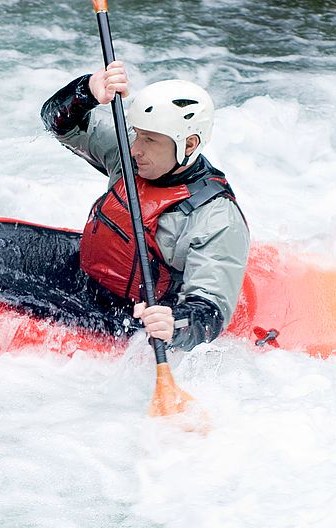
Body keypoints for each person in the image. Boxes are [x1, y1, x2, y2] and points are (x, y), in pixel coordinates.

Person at [39, 61, 250, 351]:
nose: (135, 148)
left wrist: (175, 323)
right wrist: (86, 91)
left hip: (139, 317)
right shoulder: (131, 153)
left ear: (188, 144)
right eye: (137, 133)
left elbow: (210, 312)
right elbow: (56, 122)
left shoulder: (216, 220)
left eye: (149, 140)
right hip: (92, 283)